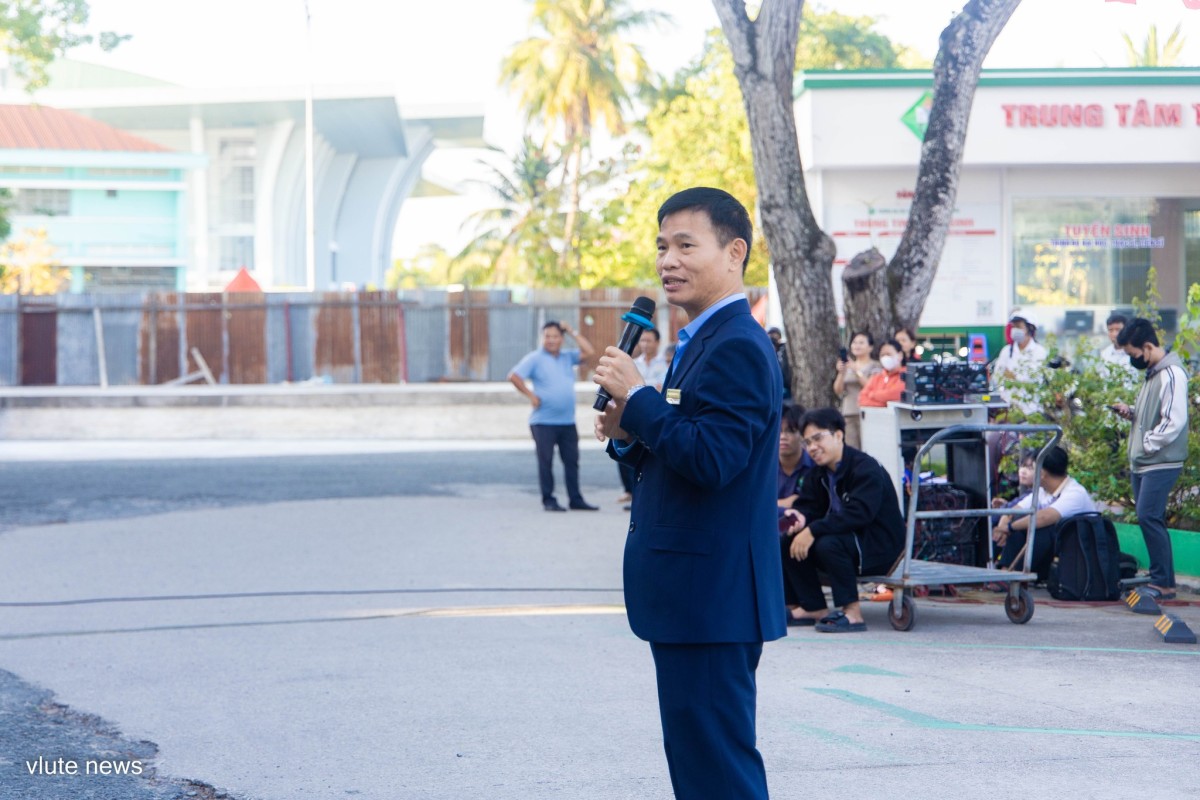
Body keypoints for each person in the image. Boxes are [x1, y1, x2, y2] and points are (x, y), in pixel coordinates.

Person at [592, 187, 785, 800]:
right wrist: (629, 432)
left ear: (734, 252)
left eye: (685, 245)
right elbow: (682, 446)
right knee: (700, 767)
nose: (667, 261)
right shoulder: (700, 339)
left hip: (712, 597)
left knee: (717, 771)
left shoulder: (736, 344)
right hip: (694, 596)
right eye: (661, 247)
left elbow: (713, 460)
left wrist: (640, 398)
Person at [781, 407, 905, 632]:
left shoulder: (865, 468)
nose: (812, 447)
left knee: (828, 543)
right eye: (808, 442)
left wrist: (813, 530)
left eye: (818, 438)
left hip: (881, 548)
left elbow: (859, 514)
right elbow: (808, 506)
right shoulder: (818, 473)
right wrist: (798, 518)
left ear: (839, 435)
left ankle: (853, 613)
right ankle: (812, 607)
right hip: (847, 542)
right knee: (787, 540)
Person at [1112, 317, 1190, 601]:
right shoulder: (1154, 374)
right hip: (1147, 461)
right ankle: (1161, 579)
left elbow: (1174, 421)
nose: (1132, 359)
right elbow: (1155, 415)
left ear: (1147, 347)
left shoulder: (1172, 374)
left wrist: (1147, 443)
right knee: (1148, 517)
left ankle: (1163, 583)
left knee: (1149, 516)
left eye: (1133, 354)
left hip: (1160, 460)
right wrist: (1132, 412)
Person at [508, 320, 599, 512]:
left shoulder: (567, 357)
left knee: (572, 462)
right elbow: (514, 376)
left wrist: (571, 331)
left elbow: (589, 351)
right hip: (543, 422)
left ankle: (575, 499)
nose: (551, 340)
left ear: (561, 339)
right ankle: (548, 499)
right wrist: (531, 396)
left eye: (555, 336)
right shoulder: (535, 358)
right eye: (547, 336)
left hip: (567, 421)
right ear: (542, 338)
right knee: (546, 462)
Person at [992, 446, 1097, 575]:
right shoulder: (1043, 491)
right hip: (1055, 549)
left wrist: (1010, 527)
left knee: (1041, 528)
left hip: (1078, 551)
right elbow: (1015, 511)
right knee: (1015, 524)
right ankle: (1002, 571)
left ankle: (1011, 575)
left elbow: (1045, 517)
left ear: (1042, 473)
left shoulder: (1075, 493)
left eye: (1032, 468)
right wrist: (1002, 527)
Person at [618, 328, 669, 505]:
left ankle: (646, 493)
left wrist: (638, 389)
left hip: (655, 413)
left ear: (657, 342)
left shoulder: (666, 364)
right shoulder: (633, 364)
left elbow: (664, 388)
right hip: (633, 413)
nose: (645, 344)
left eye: (649, 341)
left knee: (650, 453)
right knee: (627, 449)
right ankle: (630, 491)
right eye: (642, 341)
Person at [992, 310, 1048, 415]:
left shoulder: (1039, 352)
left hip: (1031, 410)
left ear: (1030, 329)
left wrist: (1013, 376)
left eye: (1019, 327)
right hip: (1008, 409)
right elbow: (997, 376)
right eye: (1013, 326)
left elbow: (1034, 379)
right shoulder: (1006, 351)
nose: (1014, 330)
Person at [833, 331, 880, 447]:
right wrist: (841, 373)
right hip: (849, 411)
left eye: (861, 343)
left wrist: (856, 370)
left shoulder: (875, 365)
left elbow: (871, 386)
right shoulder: (848, 366)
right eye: (854, 342)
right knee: (852, 446)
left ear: (870, 347)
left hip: (868, 411)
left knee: (869, 446)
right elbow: (838, 390)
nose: (857, 345)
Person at [778, 403, 814, 521]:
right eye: (778, 431)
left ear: (803, 435)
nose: (783, 436)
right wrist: (786, 503)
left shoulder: (815, 465)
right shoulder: (763, 468)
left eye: (790, 431)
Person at [857, 338, 906, 408]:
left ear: (900, 355)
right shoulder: (877, 377)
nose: (885, 357)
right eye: (882, 355)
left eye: (889, 354)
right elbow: (862, 399)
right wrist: (885, 404)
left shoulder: (906, 376)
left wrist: (872, 395)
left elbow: (895, 394)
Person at [768, 326, 793, 402]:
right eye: (771, 337)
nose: (773, 340)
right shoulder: (767, 351)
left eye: (775, 338)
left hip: (787, 389)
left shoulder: (784, 350)